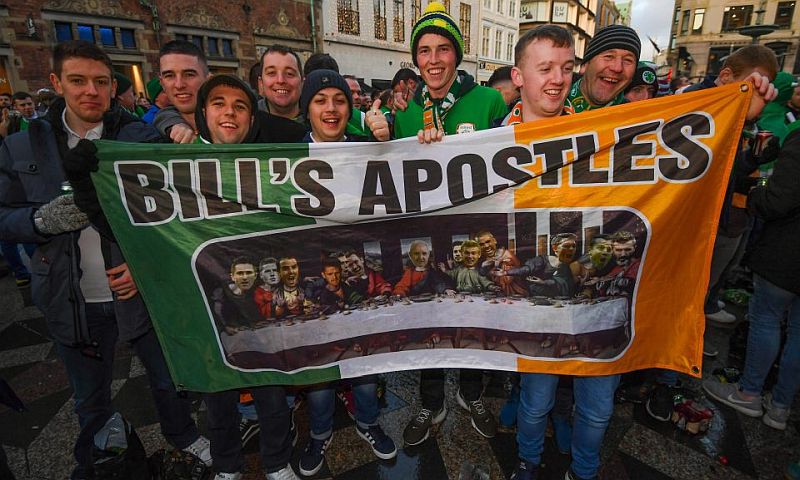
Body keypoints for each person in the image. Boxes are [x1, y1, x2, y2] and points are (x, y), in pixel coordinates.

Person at [0, 40, 209, 480]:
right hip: (70, 296)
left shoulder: (139, 138)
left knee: (167, 377)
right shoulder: (23, 147)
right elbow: (4, 215)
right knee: (89, 394)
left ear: (113, 87)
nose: (90, 91)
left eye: (99, 82)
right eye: (78, 80)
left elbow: (173, 214)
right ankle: (102, 458)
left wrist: (144, 264)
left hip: (141, 293)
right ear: (57, 83)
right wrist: (39, 221)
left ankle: (183, 434)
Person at [505, 24, 628, 480]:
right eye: (545, 69)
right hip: (540, 312)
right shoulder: (491, 142)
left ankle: (584, 471)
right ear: (519, 77)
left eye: (565, 67)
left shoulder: (596, 130)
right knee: (535, 401)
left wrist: (742, 106)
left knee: (598, 409)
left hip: (597, 303)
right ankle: (528, 460)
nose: (557, 79)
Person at [396, 2, 507, 445]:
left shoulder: (488, 100)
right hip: (426, 239)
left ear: (457, 55)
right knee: (430, 319)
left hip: (476, 237)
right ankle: (431, 400)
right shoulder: (406, 110)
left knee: (474, 317)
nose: (434, 59)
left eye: (443, 48)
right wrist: (377, 133)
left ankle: (471, 393)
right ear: (416, 58)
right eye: (424, 50)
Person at [191, 74, 300, 480]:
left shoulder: (270, 167)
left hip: (261, 309)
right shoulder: (178, 164)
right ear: (204, 113)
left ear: (251, 119)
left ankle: (277, 463)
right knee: (217, 398)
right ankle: (227, 467)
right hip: (208, 308)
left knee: (271, 393)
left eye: (239, 106)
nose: (229, 113)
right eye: (219, 104)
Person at [295, 69, 397, 477]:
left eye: (339, 100)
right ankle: (319, 432)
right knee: (320, 368)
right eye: (320, 100)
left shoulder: (365, 148)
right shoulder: (286, 154)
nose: (331, 108)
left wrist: (387, 142)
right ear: (307, 109)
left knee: (364, 362)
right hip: (314, 279)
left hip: (360, 278)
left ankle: (368, 421)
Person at [702, 120, 800, 432]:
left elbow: (778, 200)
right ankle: (780, 407)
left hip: (788, 254)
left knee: (766, 318)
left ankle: (749, 392)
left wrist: (756, 193)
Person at [153, 40, 210, 143]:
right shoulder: (152, 136)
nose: (179, 85)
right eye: (169, 76)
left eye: (189, 74)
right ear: (162, 83)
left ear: (208, 79)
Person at [259, 44, 303, 121]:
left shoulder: (319, 122)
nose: (280, 80)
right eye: (271, 73)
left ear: (302, 82)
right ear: (261, 83)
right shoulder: (247, 122)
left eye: (289, 73)